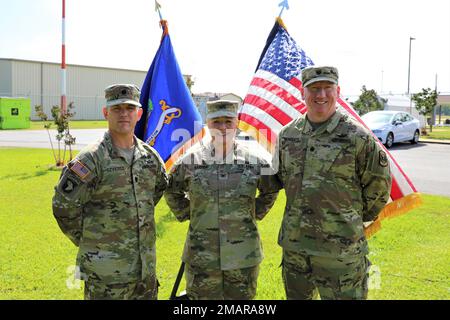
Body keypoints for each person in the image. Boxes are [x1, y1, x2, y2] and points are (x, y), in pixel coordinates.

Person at [274, 66, 392, 300]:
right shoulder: (288, 136)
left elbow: (379, 189)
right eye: (314, 89)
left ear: (338, 91)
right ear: (302, 93)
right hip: (296, 250)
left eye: (328, 88)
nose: (321, 95)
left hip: (341, 254)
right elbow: (280, 178)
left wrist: (345, 221)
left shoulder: (358, 137)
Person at [52, 84, 168, 300]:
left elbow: (155, 193)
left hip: (145, 274)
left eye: (129, 108)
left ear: (139, 114)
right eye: (117, 109)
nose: (124, 114)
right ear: (106, 113)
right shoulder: (91, 159)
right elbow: (63, 207)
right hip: (105, 276)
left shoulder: (151, 158)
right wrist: (91, 239)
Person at [164, 100, 281, 300]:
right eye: (217, 121)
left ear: (237, 123)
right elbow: (171, 191)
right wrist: (190, 213)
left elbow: (270, 190)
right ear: (208, 124)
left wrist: (254, 213)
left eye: (228, 121)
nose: (223, 127)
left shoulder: (255, 161)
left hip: (243, 256)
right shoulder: (190, 161)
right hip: (202, 256)